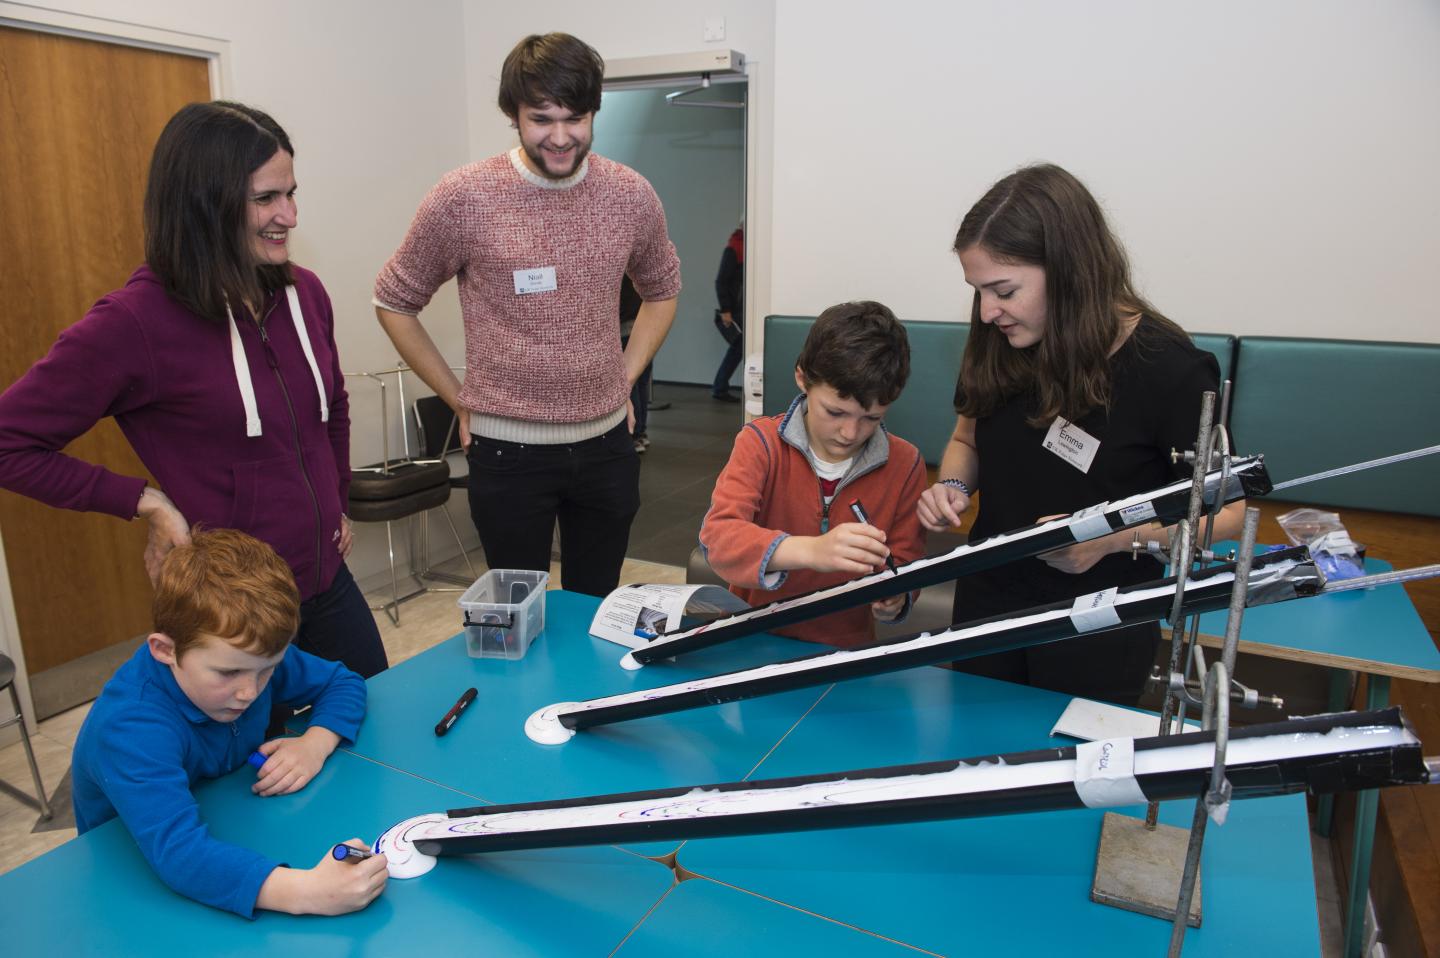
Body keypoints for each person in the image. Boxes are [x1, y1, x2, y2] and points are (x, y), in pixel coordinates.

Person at [0, 101, 388, 680]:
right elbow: (10, 441)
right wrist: (145, 503)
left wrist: (336, 495)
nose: (291, 214)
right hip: (232, 617)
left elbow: (331, 405)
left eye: (292, 192)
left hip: (327, 582)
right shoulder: (134, 322)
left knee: (378, 726)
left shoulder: (305, 293)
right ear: (204, 206)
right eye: (266, 199)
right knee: (274, 767)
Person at [916, 163, 1243, 705]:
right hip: (989, 600)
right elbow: (967, 440)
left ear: (1068, 271)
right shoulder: (1001, 336)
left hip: (1100, 620)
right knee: (976, 757)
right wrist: (953, 484)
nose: (986, 310)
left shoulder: (1170, 369)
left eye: (1002, 290)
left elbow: (1225, 513)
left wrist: (1113, 538)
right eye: (977, 290)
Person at [374, 33, 681, 597]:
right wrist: (456, 395)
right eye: (542, 118)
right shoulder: (464, 196)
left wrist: (626, 373)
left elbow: (663, 289)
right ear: (513, 115)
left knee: (596, 608)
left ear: (593, 113)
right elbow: (394, 302)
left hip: (606, 446)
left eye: (576, 118)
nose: (561, 137)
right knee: (518, 616)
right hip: (507, 452)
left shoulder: (630, 195)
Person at [71, 528, 381, 917]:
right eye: (227, 673)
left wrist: (315, 744)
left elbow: (342, 681)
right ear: (165, 650)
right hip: (126, 883)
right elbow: (180, 854)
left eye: (267, 670)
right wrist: (306, 892)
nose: (249, 692)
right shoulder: (130, 728)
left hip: (231, 821)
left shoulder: (246, 653)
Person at [700, 301, 927, 648]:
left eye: (871, 418)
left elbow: (906, 561)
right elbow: (719, 538)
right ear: (802, 378)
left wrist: (896, 598)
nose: (850, 433)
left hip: (843, 650)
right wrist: (811, 551)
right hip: (748, 639)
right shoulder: (760, 443)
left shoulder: (906, 463)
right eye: (835, 412)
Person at [712, 224, 744, 402]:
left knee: (737, 349)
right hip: (736, 309)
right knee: (737, 348)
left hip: (740, 307)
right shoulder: (734, 249)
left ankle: (720, 386)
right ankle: (719, 387)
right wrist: (726, 310)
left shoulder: (743, 246)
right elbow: (721, 281)